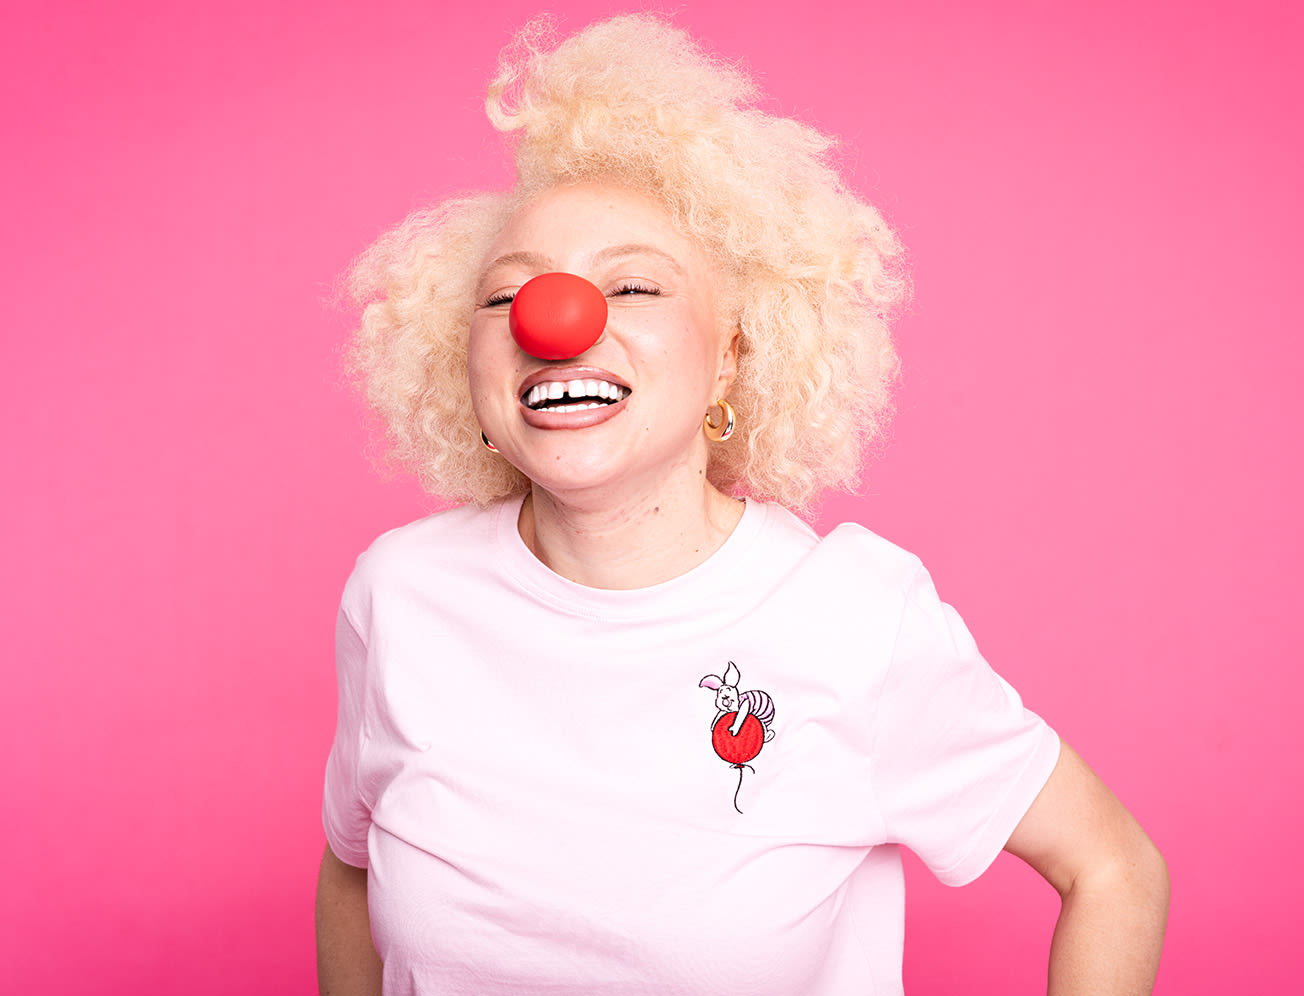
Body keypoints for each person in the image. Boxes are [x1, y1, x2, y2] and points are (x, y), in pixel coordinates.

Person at [315, 14, 1169, 996]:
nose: (556, 322)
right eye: (508, 298)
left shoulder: (853, 616)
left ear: (730, 356)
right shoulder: (400, 594)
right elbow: (350, 868)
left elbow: (1113, 868)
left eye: (630, 285)